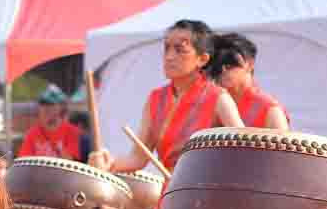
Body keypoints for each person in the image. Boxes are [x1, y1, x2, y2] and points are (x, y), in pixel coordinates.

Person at [89, 20, 244, 174]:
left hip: (206, 186)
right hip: (170, 188)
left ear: (202, 59)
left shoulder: (218, 98)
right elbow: (137, 158)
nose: (169, 57)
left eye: (180, 50)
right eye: (167, 48)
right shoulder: (156, 98)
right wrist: (109, 163)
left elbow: (246, 148)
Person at [206, 33, 290, 130]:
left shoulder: (270, 109)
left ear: (250, 64)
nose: (224, 71)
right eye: (217, 67)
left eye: (230, 65)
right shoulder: (213, 105)